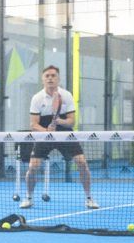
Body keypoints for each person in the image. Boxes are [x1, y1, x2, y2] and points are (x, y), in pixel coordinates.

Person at [17, 65, 97, 210]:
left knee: (82, 163)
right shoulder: (37, 98)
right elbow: (33, 125)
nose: (50, 78)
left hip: (64, 132)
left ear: (58, 79)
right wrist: (46, 131)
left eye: (53, 76)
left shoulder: (66, 95)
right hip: (44, 133)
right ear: (43, 79)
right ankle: (28, 198)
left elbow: (72, 121)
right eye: (47, 76)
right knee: (32, 167)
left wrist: (58, 121)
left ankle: (89, 198)